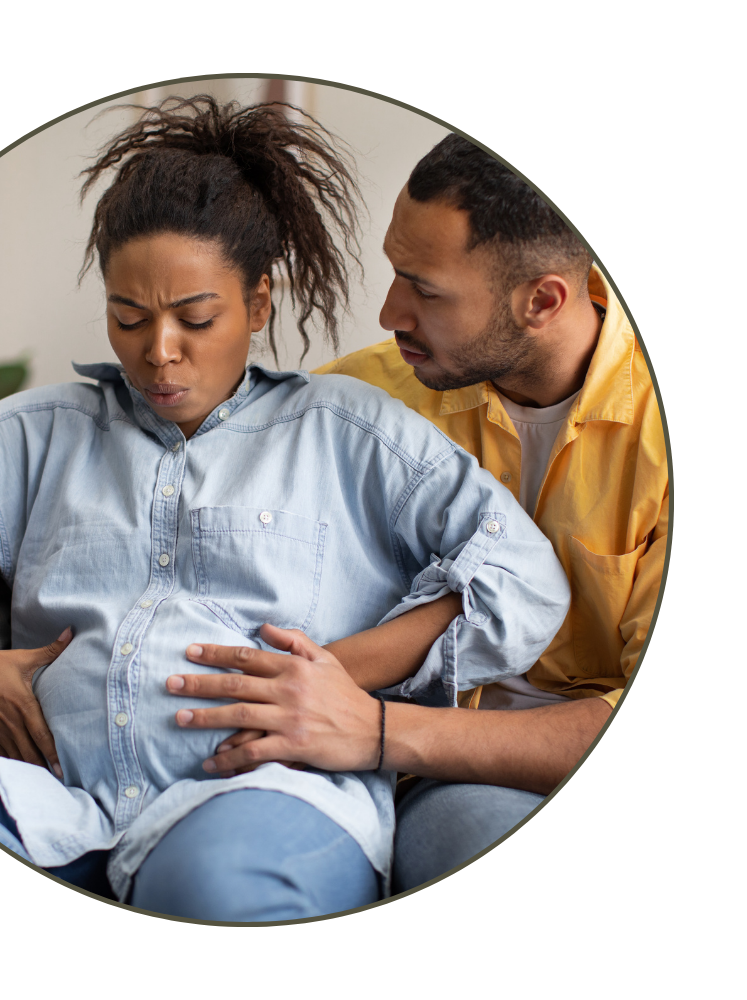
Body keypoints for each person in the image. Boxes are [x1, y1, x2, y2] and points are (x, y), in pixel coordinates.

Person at [0, 98, 571, 921]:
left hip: (265, 796)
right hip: (50, 807)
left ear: (258, 304)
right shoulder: (44, 430)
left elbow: (520, 577)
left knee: (211, 888)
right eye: (128, 317)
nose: (159, 352)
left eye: (197, 318)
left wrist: (333, 672)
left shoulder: (351, 430)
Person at [163, 134, 667, 893]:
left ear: (542, 301)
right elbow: (172, 496)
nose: (389, 312)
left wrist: (377, 730)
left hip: (442, 751)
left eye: (425, 290)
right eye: (396, 271)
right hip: (382, 770)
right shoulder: (360, 398)